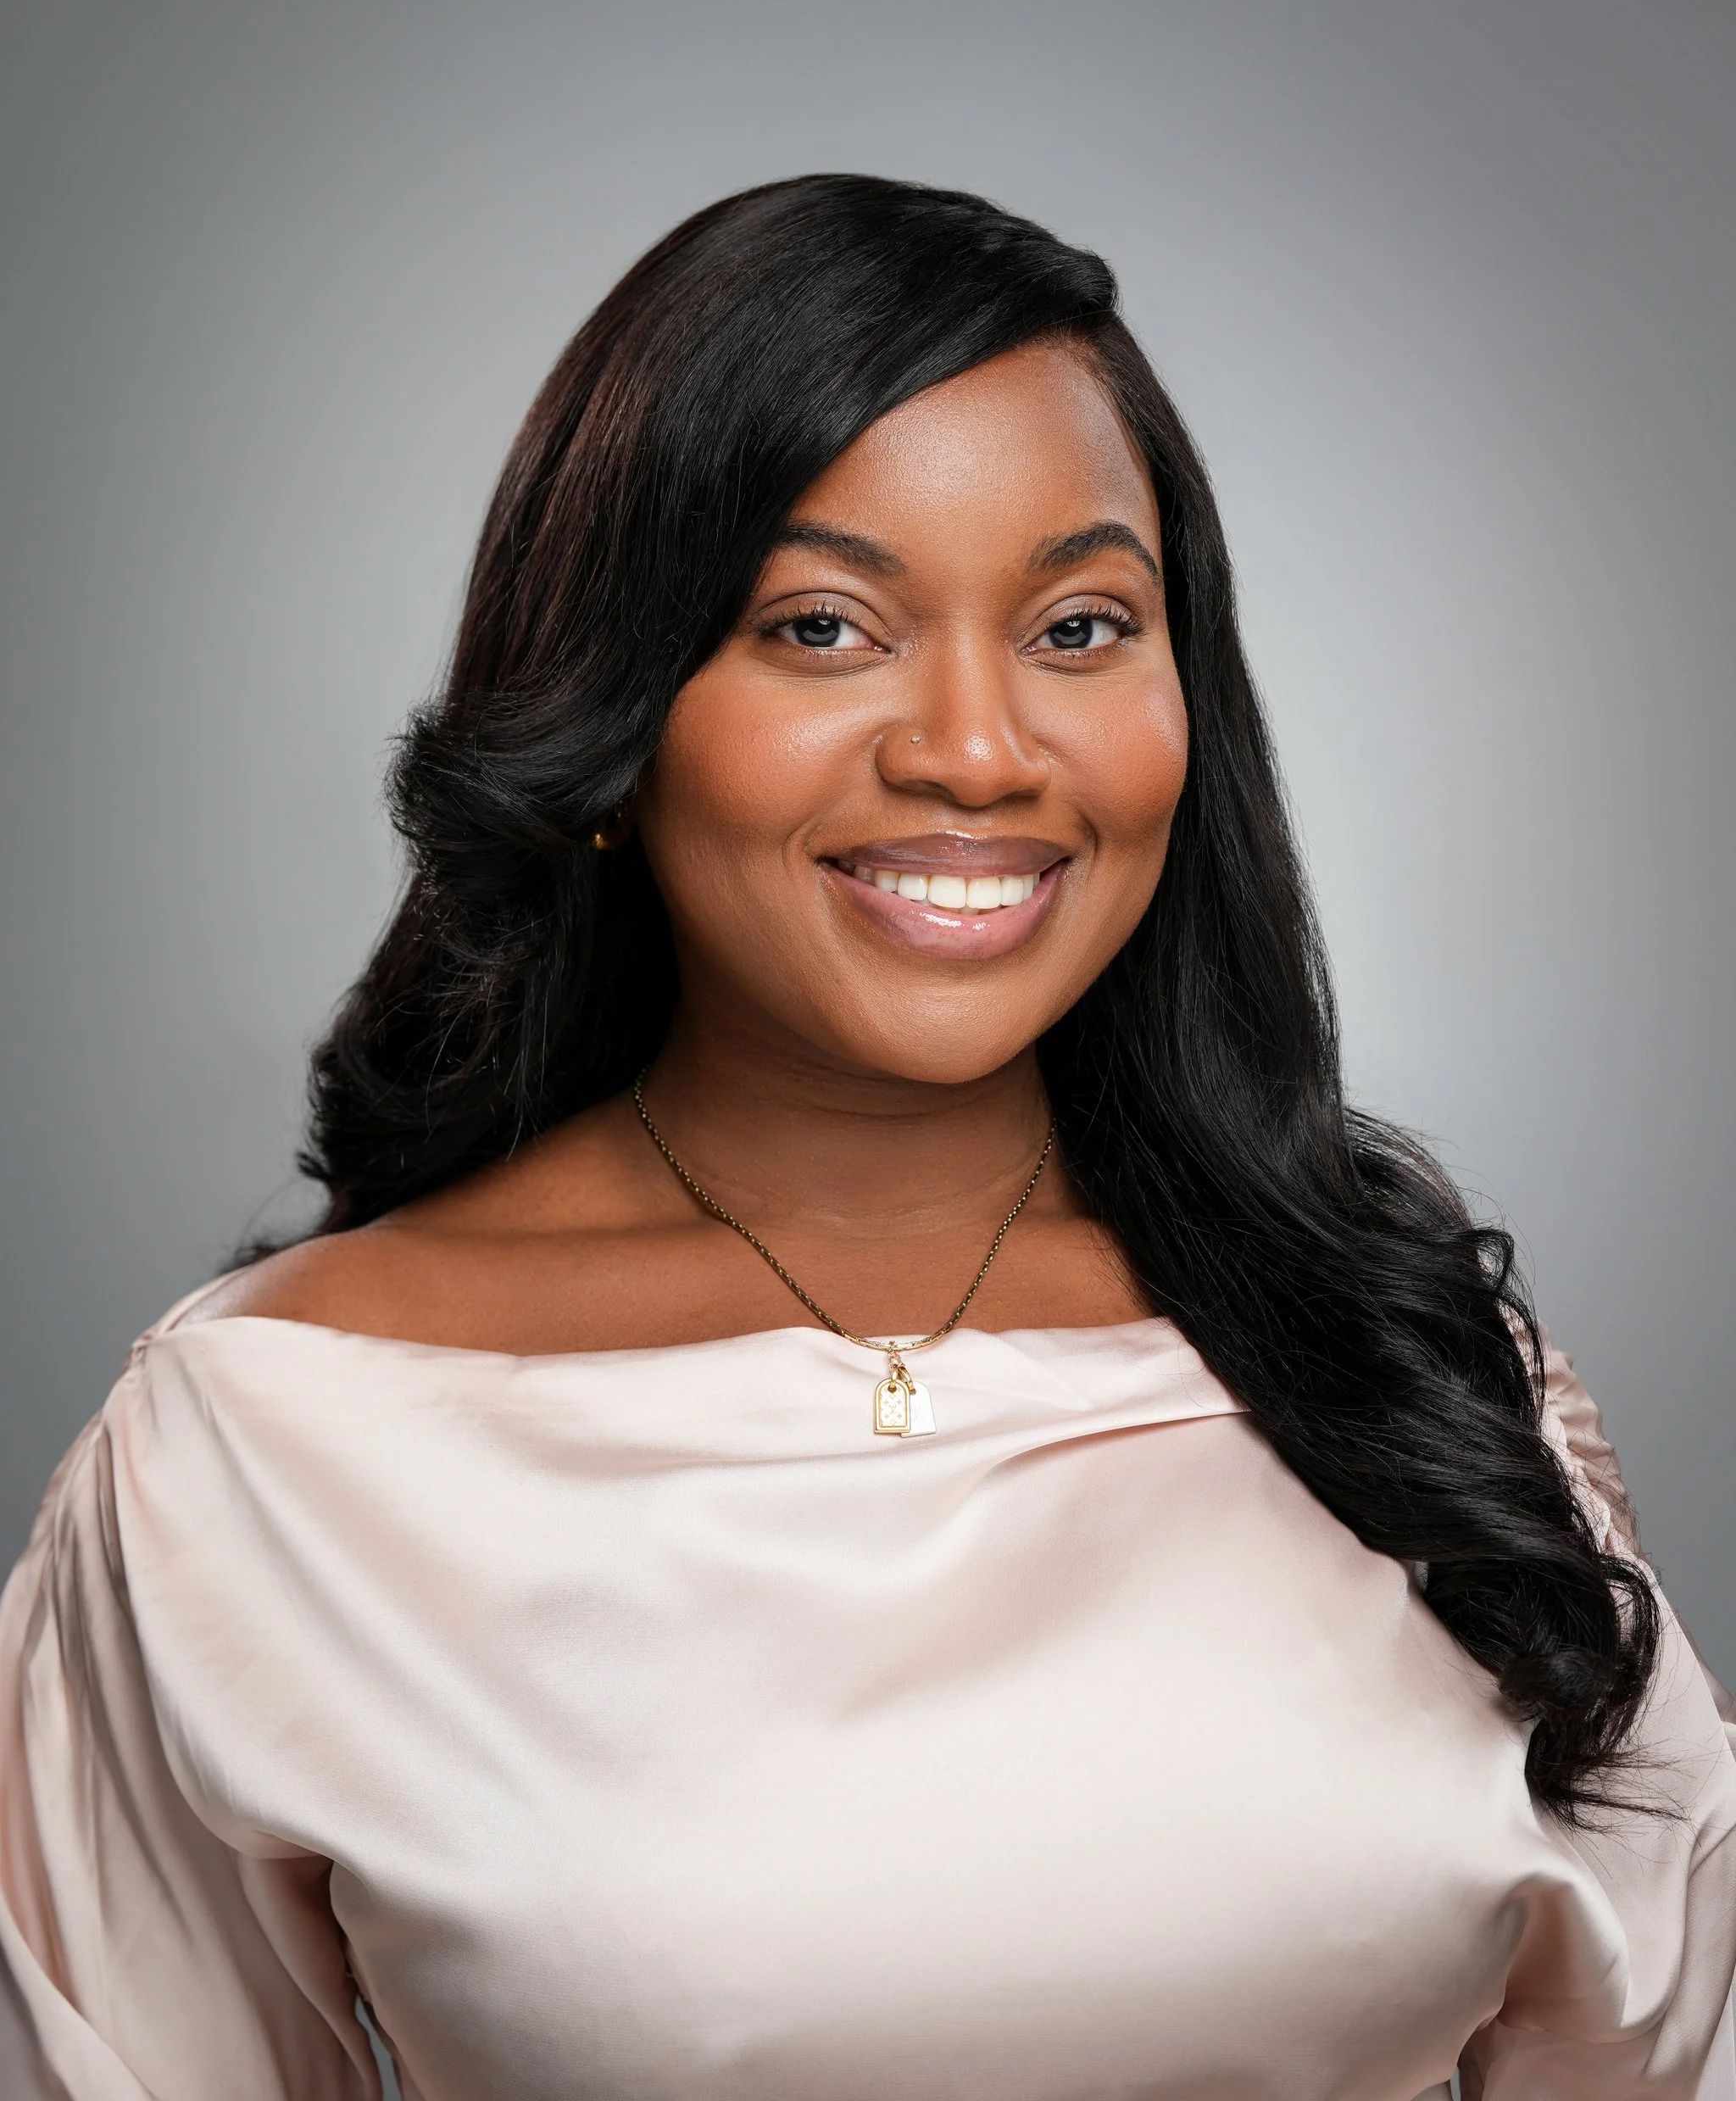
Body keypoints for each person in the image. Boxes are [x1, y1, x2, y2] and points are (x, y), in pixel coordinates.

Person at [1, 172, 1731, 2101]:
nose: (979, 749)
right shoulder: (257, 1451)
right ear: (616, 705)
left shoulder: (1428, 1387)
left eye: (1081, 623)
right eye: (825, 627)